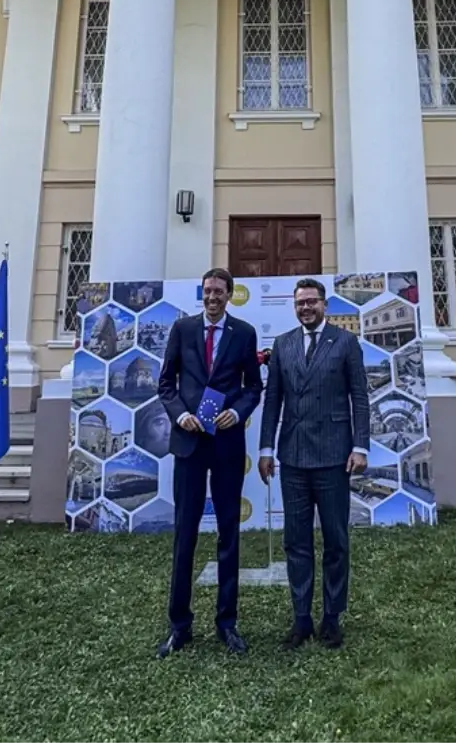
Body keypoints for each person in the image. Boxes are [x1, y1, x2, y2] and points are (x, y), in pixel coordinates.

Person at [155, 268, 263, 657]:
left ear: (230, 295)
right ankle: (179, 625)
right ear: (201, 294)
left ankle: (227, 623)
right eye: (207, 291)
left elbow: (254, 386)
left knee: (228, 534)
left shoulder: (244, 333)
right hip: (188, 444)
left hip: (227, 445)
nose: (212, 297)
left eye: (219, 291)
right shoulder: (182, 330)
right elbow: (166, 384)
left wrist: (237, 412)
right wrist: (179, 414)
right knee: (185, 534)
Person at [259, 277, 370, 649]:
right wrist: (264, 450)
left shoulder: (345, 342)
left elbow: (360, 398)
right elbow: (272, 400)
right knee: (296, 541)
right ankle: (302, 618)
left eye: (311, 302)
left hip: (335, 457)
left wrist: (361, 447)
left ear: (324, 304)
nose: (305, 308)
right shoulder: (283, 344)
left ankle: (332, 618)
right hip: (292, 458)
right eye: (300, 303)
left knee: (336, 540)